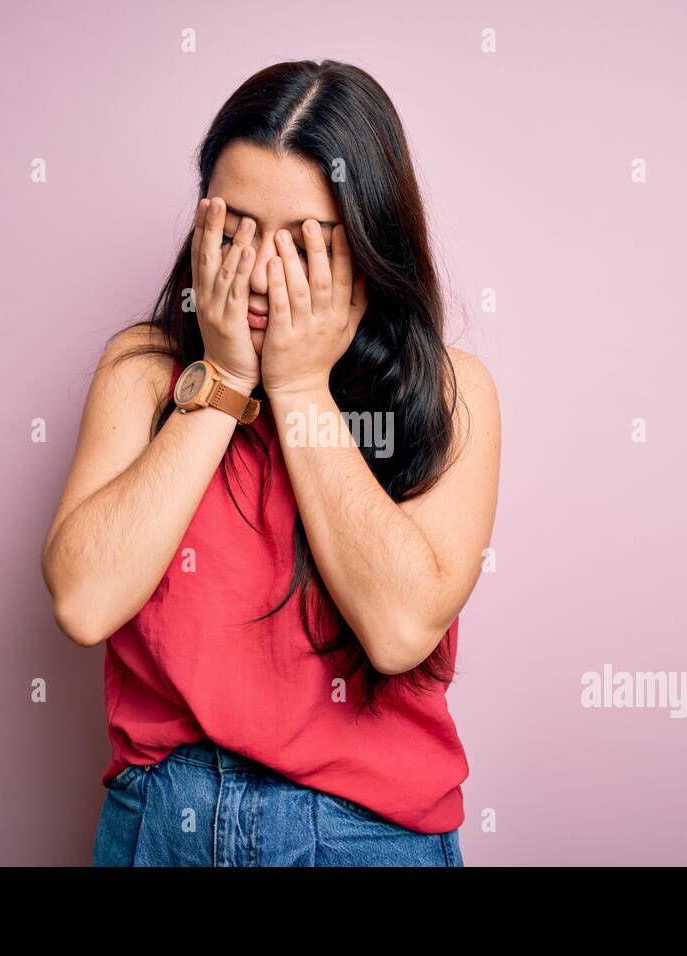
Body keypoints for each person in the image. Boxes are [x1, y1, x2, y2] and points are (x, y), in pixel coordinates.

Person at [40, 59, 501, 866]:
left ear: (366, 245)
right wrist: (221, 385)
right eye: (234, 229)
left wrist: (298, 387)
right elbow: (83, 602)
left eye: (303, 246)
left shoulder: (451, 394)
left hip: (364, 835)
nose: (256, 272)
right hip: (164, 819)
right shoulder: (145, 373)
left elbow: (398, 631)